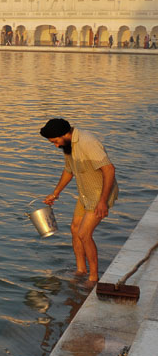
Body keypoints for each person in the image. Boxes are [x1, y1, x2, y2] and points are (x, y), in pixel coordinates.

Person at [40, 119, 118, 284]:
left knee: (84, 234)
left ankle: (93, 277)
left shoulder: (87, 141)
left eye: (55, 141)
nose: (55, 146)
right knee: (75, 229)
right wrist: (55, 193)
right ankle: (81, 270)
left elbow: (109, 169)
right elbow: (69, 170)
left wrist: (102, 201)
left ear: (64, 134)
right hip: (85, 194)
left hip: (100, 194)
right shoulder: (68, 145)